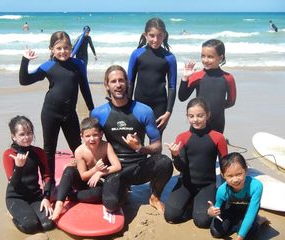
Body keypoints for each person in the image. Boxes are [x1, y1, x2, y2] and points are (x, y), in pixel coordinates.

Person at [91, 65, 173, 213]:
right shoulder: (99, 113)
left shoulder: (143, 111)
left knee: (165, 163)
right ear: (107, 85)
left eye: (121, 80)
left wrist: (140, 148)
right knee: (111, 204)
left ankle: (154, 197)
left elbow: (157, 145)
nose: (118, 85)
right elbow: (91, 143)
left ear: (127, 83)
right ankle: (122, 190)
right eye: (113, 81)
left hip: (139, 166)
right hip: (115, 169)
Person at [19, 31, 94, 183]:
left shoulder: (78, 65)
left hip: (70, 114)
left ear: (71, 48)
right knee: (49, 150)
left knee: (78, 148)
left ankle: (84, 179)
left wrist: (92, 109)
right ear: (51, 49)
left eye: (66, 48)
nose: (62, 51)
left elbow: (84, 87)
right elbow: (24, 80)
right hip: (50, 113)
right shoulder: (48, 66)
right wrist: (25, 60)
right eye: (58, 48)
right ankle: (50, 184)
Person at [164, 97, 228, 228]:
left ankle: (196, 205)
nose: (196, 119)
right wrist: (175, 155)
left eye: (200, 115)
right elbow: (180, 167)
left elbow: (225, 166)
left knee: (202, 222)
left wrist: (225, 191)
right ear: (187, 116)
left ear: (208, 115)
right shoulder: (183, 137)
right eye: (191, 116)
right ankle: (192, 203)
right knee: (170, 216)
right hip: (185, 184)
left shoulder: (218, 138)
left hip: (207, 185)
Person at [50, 117, 121, 220]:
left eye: (95, 135)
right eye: (87, 136)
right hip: (84, 181)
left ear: (101, 134)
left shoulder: (106, 146)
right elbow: (83, 176)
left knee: (99, 194)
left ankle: (70, 196)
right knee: (69, 170)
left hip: (97, 183)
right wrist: (95, 170)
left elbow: (117, 166)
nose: (92, 139)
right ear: (82, 136)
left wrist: (100, 173)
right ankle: (59, 204)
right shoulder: (79, 151)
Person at [3, 115, 54, 234]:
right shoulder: (8, 155)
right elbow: (13, 184)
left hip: (35, 196)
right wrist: (19, 167)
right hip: (16, 197)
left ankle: (30, 210)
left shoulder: (38, 152)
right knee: (31, 226)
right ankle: (11, 214)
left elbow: (47, 177)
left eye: (29, 133)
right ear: (13, 137)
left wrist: (46, 198)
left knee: (48, 224)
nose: (26, 137)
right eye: (22, 134)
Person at [128, 17, 177, 134]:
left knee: (156, 145)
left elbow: (172, 86)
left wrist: (168, 112)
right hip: (138, 105)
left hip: (160, 107)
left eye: (159, 35)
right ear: (145, 35)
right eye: (152, 35)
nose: (155, 39)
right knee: (136, 144)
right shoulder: (137, 54)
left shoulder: (169, 58)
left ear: (164, 35)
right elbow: (130, 81)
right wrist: (127, 106)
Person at [178, 39, 236, 133]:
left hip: (218, 124)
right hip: (198, 123)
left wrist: (216, 107)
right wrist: (185, 78)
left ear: (220, 58)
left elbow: (231, 102)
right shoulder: (197, 76)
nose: (205, 60)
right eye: (203, 56)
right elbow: (182, 97)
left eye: (210, 57)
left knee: (216, 146)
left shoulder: (228, 78)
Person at [207, 152, 267, 240]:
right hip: (230, 211)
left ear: (246, 170)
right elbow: (217, 209)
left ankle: (258, 221)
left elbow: (250, 213)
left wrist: (240, 237)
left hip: (248, 211)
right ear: (223, 175)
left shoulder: (256, 186)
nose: (235, 180)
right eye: (230, 176)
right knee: (215, 232)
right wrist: (211, 212)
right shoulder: (222, 190)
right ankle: (235, 223)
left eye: (239, 174)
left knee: (246, 235)